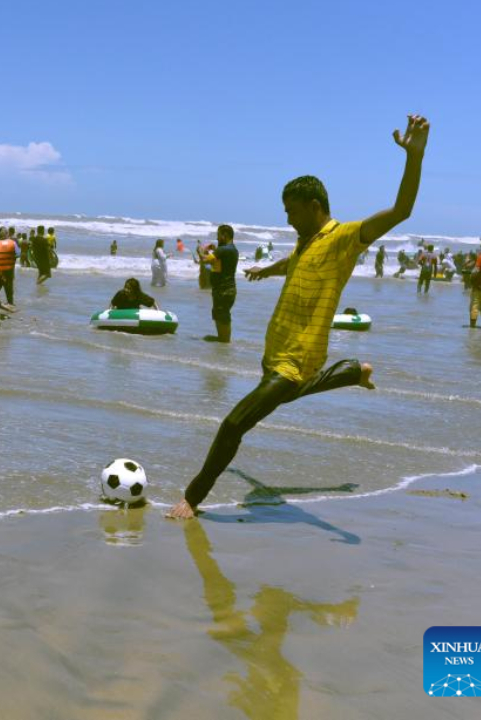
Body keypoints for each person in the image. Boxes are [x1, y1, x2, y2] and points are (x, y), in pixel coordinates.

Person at [167, 114, 429, 520]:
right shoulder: (305, 242)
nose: (286, 218)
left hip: (298, 357)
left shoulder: (345, 238)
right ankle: (352, 372)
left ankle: (192, 498)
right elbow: (294, 263)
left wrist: (415, 156)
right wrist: (265, 270)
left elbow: (402, 210)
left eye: (290, 211)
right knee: (288, 394)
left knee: (235, 423)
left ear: (314, 206)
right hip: (277, 348)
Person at [203, 225, 239, 343]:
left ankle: (224, 341)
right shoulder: (232, 249)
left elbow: (205, 260)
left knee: (222, 316)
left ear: (225, 235)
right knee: (221, 314)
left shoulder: (223, 250)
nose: (217, 239)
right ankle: (222, 340)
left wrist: (202, 250)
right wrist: (215, 249)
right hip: (227, 289)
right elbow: (219, 262)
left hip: (223, 290)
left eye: (218, 236)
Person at [0, 227, 18, 305]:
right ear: (7, 234)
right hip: (8, 271)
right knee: (9, 290)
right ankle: (10, 304)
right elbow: (18, 254)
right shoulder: (13, 243)